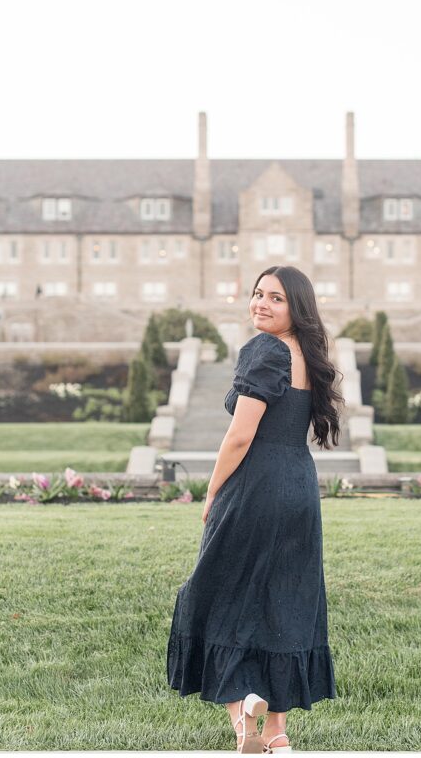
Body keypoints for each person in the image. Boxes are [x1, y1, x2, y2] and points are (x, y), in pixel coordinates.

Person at [167, 265, 343, 752]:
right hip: (299, 487)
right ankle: (276, 733)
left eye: (276, 298)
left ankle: (244, 713)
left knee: (215, 593)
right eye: (257, 294)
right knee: (284, 601)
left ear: (297, 308)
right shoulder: (306, 353)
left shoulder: (264, 350)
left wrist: (211, 491)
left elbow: (241, 434)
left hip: (256, 485)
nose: (261, 304)